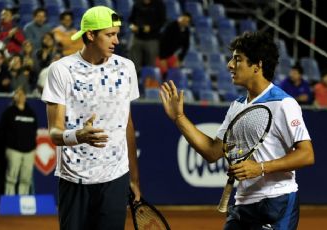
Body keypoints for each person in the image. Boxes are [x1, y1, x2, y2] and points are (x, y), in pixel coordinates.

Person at [159, 31, 315, 229]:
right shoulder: (237, 106)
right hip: (243, 205)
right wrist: (179, 118)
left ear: (257, 65)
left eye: (237, 59)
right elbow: (212, 151)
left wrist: (260, 167)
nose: (230, 65)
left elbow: (307, 155)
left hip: (277, 202)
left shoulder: (283, 103)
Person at [41, 6, 141, 229]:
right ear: (90, 35)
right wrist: (78, 135)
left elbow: (127, 123)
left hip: (116, 177)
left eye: (116, 34)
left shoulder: (127, 68)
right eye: (109, 34)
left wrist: (133, 178)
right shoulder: (61, 70)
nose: (116, 40)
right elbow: (55, 133)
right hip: (74, 179)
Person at [0, 87, 38, 195]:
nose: (20, 96)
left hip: (29, 151)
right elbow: (2, 131)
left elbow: (34, 130)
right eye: (18, 94)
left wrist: (33, 147)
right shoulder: (9, 112)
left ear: (25, 97)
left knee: (26, 178)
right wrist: (9, 144)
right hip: (14, 150)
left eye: (22, 94)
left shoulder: (31, 113)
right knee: (11, 178)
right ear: (14, 97)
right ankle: (10, 202)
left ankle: (23, 201)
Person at [128, 0, 166, 73]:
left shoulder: (159, 4)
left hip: (152, 39)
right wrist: (132, 27)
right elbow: (130, 20)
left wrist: (151, 28)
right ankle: (134, 81)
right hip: (137, 38)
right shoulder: (137, 4)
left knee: (151, 65)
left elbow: (162, 21)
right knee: (133, 64)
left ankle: (149, 81)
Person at [156, 12, 192, 77]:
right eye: (183, 20)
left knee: (175, 72)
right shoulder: (171, 27)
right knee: (162, 73)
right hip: (160, 54)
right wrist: (162, 58)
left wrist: (180, 59)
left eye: (187, 21)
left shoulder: (186, 31)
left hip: (171, 55)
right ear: (180, 18)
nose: (184, 22)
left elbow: (186, 47)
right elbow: (162, 42)